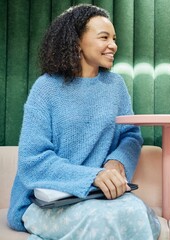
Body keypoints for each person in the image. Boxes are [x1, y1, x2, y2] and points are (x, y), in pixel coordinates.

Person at [7, 4, 160, 239]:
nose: (113, 45)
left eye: (114, 38)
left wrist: (115, 163)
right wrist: (92, 176)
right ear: (77, 41)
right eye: (104, 37)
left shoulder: (115, 86)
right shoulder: (45, 88)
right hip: (45, 202)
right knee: (101, 221)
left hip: (95, 196)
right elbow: (33, 161)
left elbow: (131, 135)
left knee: (136, 211)